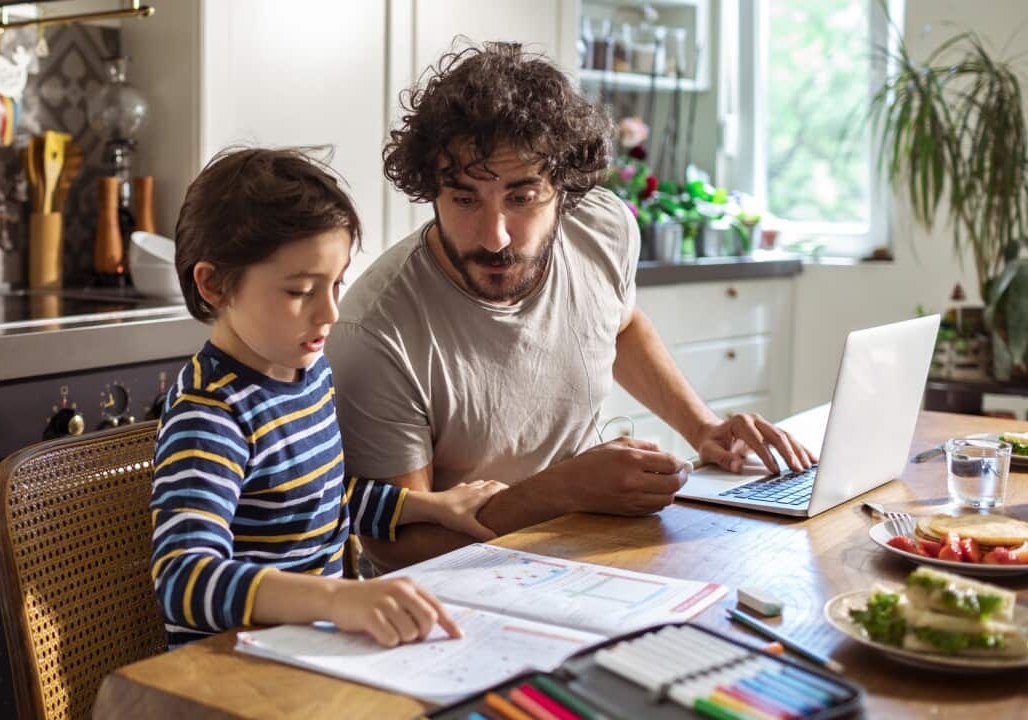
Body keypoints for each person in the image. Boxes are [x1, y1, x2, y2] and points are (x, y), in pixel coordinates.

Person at [325, 43, 816, 574]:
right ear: (430, 191)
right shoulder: (376, 332)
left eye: (522, 197)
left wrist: (702, 428)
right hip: (455, 585)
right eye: (465, 199)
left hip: (585, 545)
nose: (495, 237)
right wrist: (562, 491)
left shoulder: (602, 225)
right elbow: (396, 548)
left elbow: (620, 324)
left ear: (565, 188)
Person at [151, 147, 507, 648]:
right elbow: (183, 581)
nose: (330, 313)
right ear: (214, 285)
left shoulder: (309, 373)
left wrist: (429, 507)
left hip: (312, 646)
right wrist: (335, 598)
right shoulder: (212, 415)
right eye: (300, 291)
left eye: (336, 284)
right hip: (231, 668)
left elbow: (321, 501)